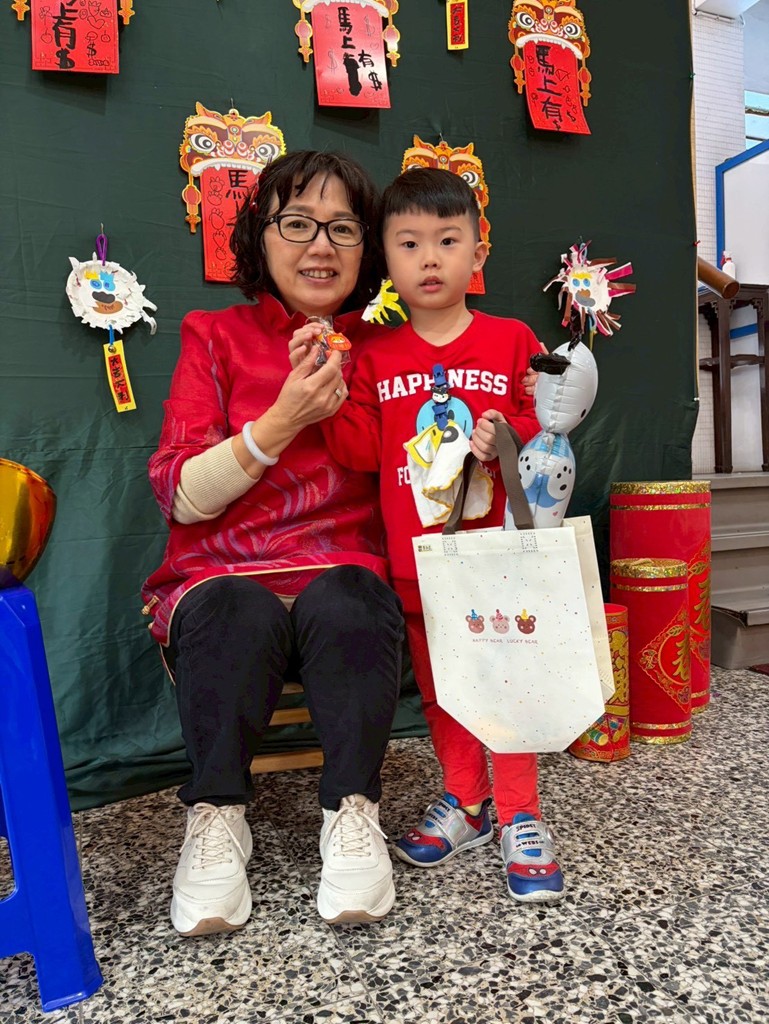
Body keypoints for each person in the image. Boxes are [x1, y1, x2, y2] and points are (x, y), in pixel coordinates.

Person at [141, 150, 408, 936]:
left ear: (366, 250)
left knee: (353, 597)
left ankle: (352, 809)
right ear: (260, 236)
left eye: (342, 229)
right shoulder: (214, 335)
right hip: (223, 576)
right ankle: (217, 815)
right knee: (233, 608)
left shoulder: (385, 347)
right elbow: (181, 494)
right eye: (297, 224)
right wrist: (284, 420)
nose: (320, 246)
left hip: (342, 576)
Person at [292, 167, 564, 903]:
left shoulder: (512, 340)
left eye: (447, 240)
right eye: (409, 244)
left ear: (479, 251)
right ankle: (467, 800)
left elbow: (548, 427)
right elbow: (359, 452)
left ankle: (521, 814)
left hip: (497, 559)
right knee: (443, 689)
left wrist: (512, 430)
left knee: (506, 681)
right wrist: (328, 395)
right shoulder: (374, 353)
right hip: (416, 560)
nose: (430, 259)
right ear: (385, 257)